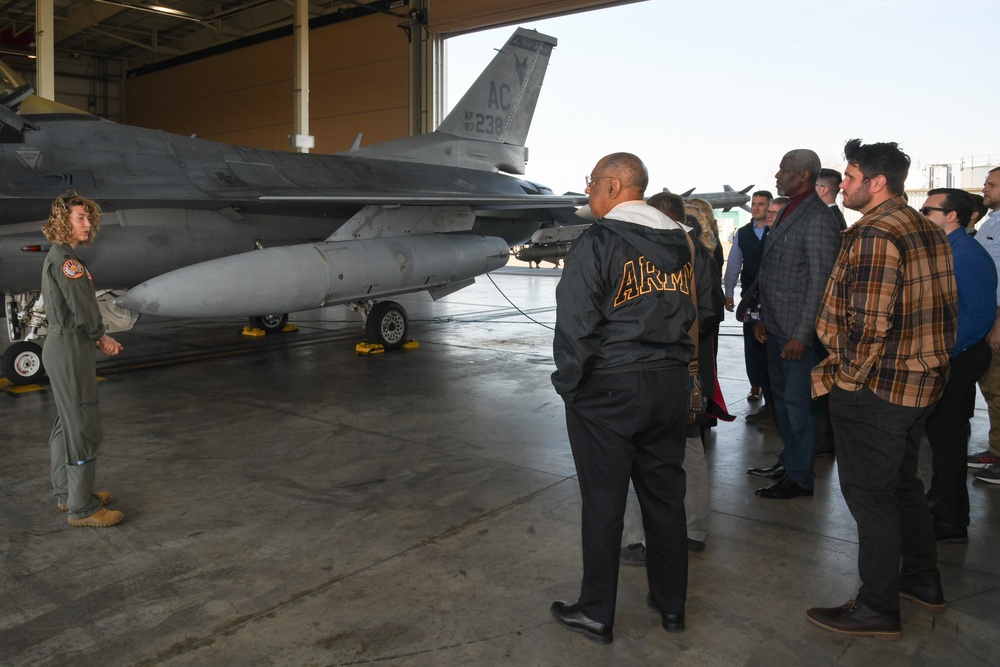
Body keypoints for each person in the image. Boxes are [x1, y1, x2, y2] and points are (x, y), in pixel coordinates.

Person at [550, 153, 714, 644]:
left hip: (611, 389)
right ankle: (671, 606)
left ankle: (597, 612)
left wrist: (571, 389)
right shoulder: (684, 243)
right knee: (664, 500)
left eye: (593, 183)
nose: (589, 193)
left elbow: (575, 327)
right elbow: (700, 313)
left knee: (604, 504)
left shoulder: (597, 242)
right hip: (669, 386)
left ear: (616, 185)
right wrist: (687, 377)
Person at [806, 139, 957, 639]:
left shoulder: (874, 233)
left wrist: (846, 381)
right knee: (903, 485)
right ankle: (922, 580)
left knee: (871, 497)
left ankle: (876, 607)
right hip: (922, 383)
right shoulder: (923, 226)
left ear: (876, 183)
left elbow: (868, 326)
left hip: (879, 389)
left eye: (848, 178)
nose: (841, 185)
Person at [617, 192, 727, 563]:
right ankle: (694, 529)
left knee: (647, 456)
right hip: (690, 367)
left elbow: (703, 312)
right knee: (691, 449)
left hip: (665, 369)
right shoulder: (699, 249)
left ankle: (644, 539)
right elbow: (710, 312)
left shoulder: (665, 249)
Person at [747, 150, 841, 498]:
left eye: (784, 170)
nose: (777, 174)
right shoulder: (789, 208)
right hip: (776, 326)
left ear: (803, 175)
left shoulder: (817, 218)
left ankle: (800, 477)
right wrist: (763, 319)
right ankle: (790, 461)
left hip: (798, 334)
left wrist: (801, 335)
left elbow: (820, 282)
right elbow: (775, 271)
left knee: (800, 406)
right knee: (784, 403)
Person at [40, 191, 125, 528]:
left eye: (89, 218)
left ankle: (67, 493)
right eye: (81, 218)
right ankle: (82, 508)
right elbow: (84, 308)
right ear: (64, 222)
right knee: (82, 425)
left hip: (61, 347)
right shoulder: (68, 262)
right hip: (70, 348)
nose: (88, 224)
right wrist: (101, 335)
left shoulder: (59, 256)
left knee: (66, 424)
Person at [921, 188, 996, 540]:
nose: (921, 216)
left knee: (949, 441)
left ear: (952, 216)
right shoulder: (945, 248)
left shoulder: (965, 254)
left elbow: (978, 316)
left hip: (959, 357)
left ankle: (951, 520)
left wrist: (939, 352)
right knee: (939, 439)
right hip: (948, 355)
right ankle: (939, 501)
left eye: (928, 210)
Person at [723, 190, 773, 404]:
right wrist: (728, 293)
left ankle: (772, 388)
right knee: (751, 343)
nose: (756, 207)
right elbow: (734, 265)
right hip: (750, 298)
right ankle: (755, 385)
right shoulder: (742, 233)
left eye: (761, 204)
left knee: (772, 344)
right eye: (754, 204)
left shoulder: (778, 231)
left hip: (774, 297)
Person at [970, 167, 1000, 483]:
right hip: (990, 311)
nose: (985, 188)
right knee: (992, 388)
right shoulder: (991, 222)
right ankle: (996, 449)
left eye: (992, 185)